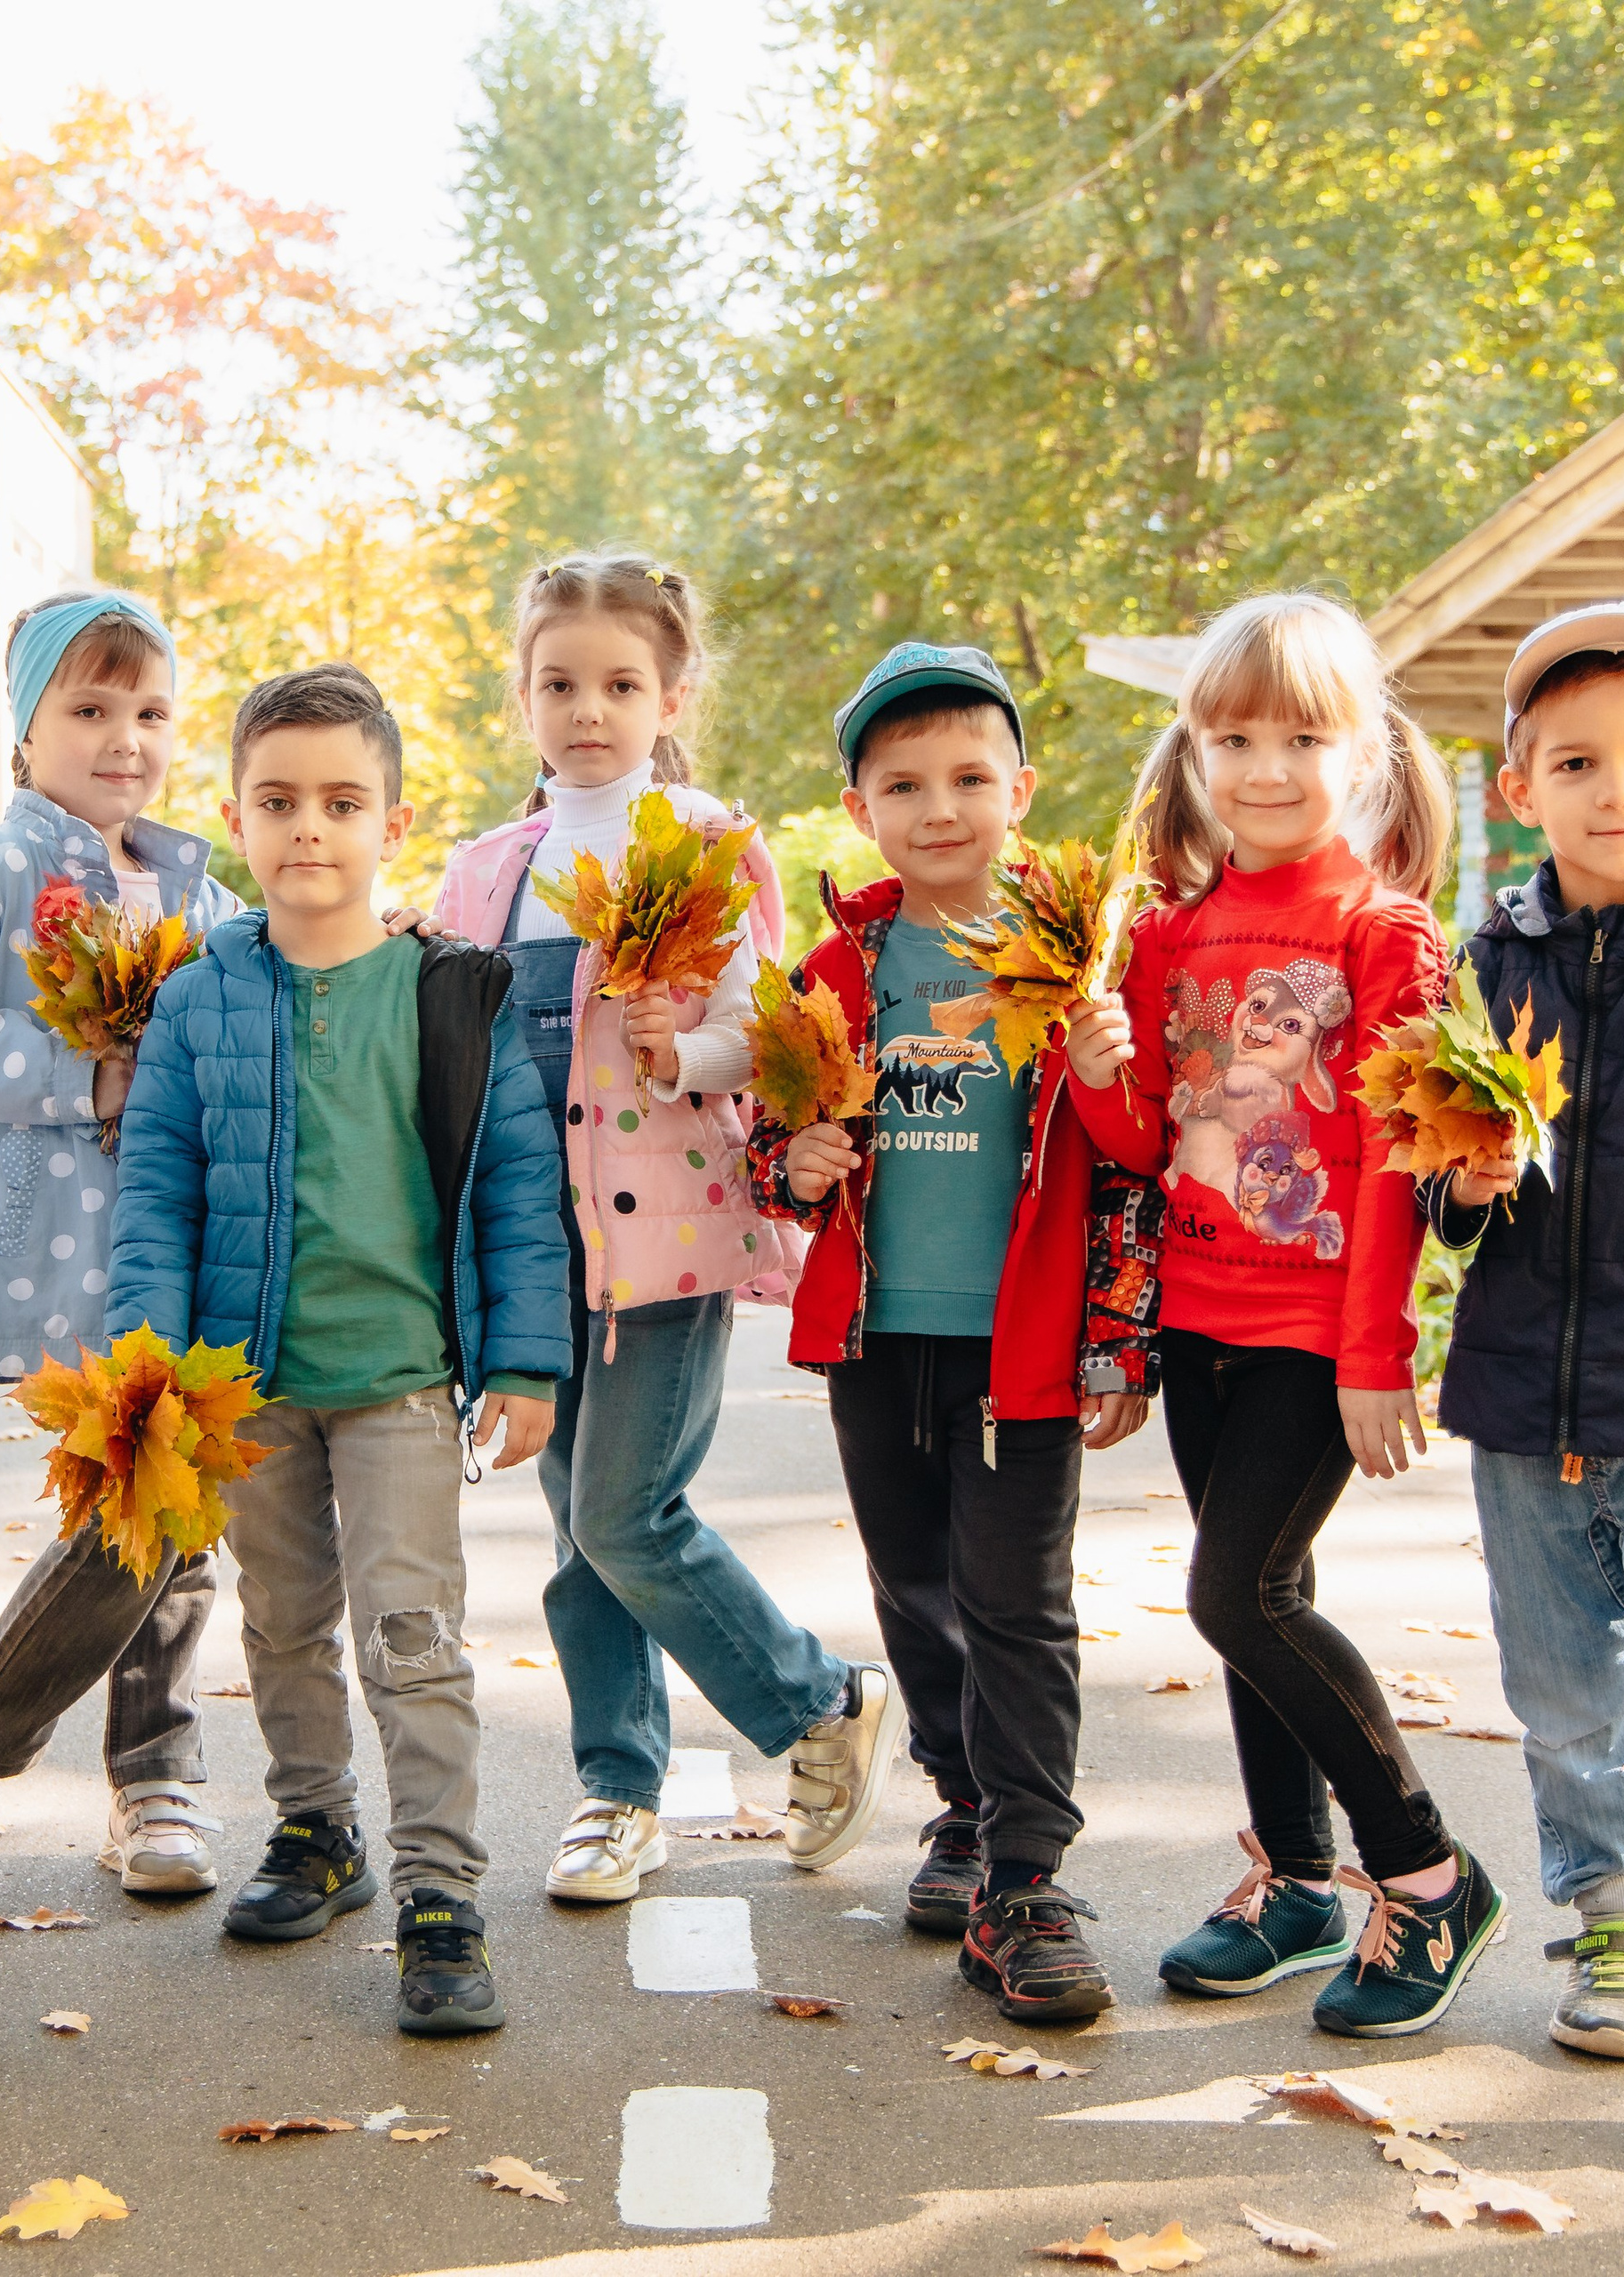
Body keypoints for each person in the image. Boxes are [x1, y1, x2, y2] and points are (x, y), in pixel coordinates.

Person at [106, 663, 569, 2035]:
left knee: (413, 1637)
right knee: (283, 1623)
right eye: (279, 801)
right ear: (238, 819)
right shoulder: (201, 998)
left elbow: (515, 1192)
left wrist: (528, 1364)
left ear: (394, 821)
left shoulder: (455, 996)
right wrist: (153, 1376)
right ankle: (319, 1832)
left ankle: (442, 1895)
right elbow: (158, 1193)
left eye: (342, 802)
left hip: (403, 1383)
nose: (311, 827)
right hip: (248, 1390)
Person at [430, 555, 899, 1906]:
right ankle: (617, 1792)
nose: (591, 708)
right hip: (529, 1243)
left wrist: (676, 1045)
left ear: (670, 692)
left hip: (667, 1232)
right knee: (577, 1530)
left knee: (627, 1513)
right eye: (562, 683)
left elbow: (766, 1030)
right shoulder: (484, 874)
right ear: (520, 695)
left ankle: (819, 1702)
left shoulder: (698, 839)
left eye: (621, 683)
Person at [1065, 591, 1502, 2039]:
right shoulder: (1167, 933)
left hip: (1318, 1328)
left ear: (1363, 748)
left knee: (1232, 1592)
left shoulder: (1388, 934)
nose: (1264, 766)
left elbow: (1390, 1162)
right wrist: (1093, 1058)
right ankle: (1300, 1883)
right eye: (1231, 735)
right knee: (1266, 1600)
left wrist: (1377, 1352)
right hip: (1195, 1317)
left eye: (1301, 735)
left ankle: (1430, 1877)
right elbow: (1140, 1140)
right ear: (1192, 753)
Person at [745, 641, 1162, 2024]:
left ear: (1022, 789)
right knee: (912, 1585)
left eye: (971, 778)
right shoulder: (837, 960)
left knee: (1019, 1606)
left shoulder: (1066, 951)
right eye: (905, 783)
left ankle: (1031, 1882)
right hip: (880, 1338)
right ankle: (966, 1809)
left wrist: (1104, 1072)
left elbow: (1129, 1155)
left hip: (1022, 1345)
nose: (941, 808)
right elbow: (775, 1141)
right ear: (860, 808)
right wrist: (794, 1164)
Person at [0, 591, 242, 1901]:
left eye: (150, 712)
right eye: (90, 709)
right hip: (39, 1237)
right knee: (143, 1502)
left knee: (176, 1505)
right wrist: (81, 1073)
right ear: (25, 724)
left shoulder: (201, 883)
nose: (125, 739)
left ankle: (153, 1772)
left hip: (186, 1241)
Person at [1426, 604, 1624, 2059]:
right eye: (1576, 762)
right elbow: (1431, 1187)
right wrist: (1464, 1181)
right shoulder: (1484, 966)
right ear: (1520, 792)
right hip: (1521, 1392)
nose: (1610, 789)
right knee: (1557, 1687)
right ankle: (1608, 1915)